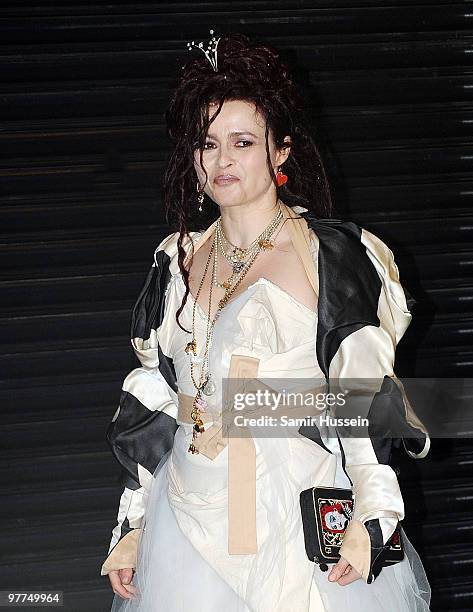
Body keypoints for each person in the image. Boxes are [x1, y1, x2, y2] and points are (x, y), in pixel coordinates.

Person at [100, 30, 432, 611]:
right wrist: (132, 525)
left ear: (280, 151)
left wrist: (374, 513)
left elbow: (364, 393)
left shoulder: (330, 255)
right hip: (188, 519)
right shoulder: (176, 259)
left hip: (292, 517)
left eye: (243, 141)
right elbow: (158, 398)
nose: (222, 160)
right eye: (208, 144)